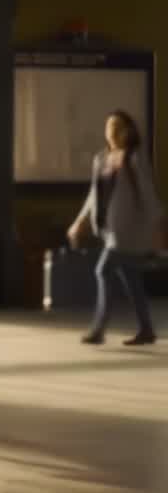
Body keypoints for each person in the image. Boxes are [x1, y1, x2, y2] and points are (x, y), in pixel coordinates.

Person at [68, 110, 165, 346]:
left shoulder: (134, 158)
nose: (112, 130)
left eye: (118, 126)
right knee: (131, 277)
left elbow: (148, 194)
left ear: (128, 131)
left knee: (102, 270)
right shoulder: (101, 159)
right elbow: (94, 195)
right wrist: (80, 221)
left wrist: (159, 225)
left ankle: (98, 330)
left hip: (128, 229)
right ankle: (146, 329)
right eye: (109, 125)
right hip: (108, 229)